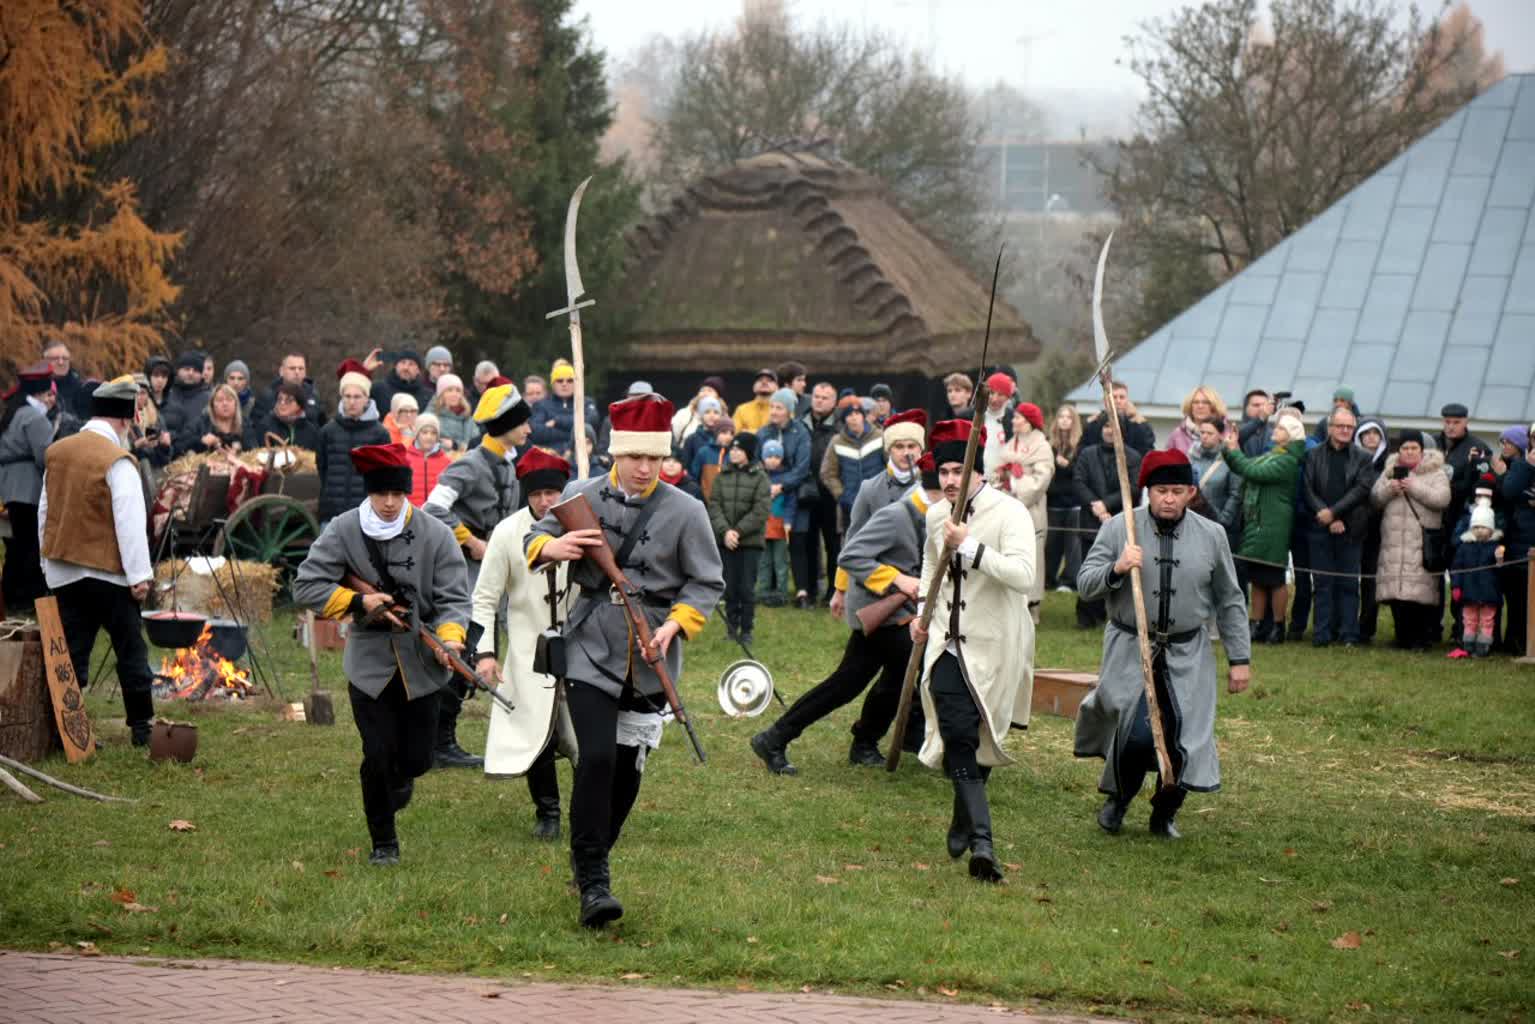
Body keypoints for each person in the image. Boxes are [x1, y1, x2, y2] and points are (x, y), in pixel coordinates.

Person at [525, 393, 724, 928]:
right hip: (590, 645)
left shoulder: (687, 511)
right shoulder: (581, 495)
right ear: (616, 453)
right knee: (596, 758)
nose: (644, 468)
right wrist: (552, 548)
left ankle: (590, 854)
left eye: (654, 458)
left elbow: (707, 581)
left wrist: (675, 625)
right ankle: (595, 881)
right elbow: (536, 535)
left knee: (627, 774)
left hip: (651, 653)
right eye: (636, 456)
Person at [292, 443, 470, 866]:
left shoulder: (436, 533)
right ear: (369, 492)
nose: (389, 503)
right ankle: (384, 842)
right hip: (369, 663)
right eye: (380, 494)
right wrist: (359, 602)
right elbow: (306, 585)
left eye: (396, 494)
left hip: (422, 662)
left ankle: (401, 781)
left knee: (417, 759)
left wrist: (450, 640)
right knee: (376, 754)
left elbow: (454, 598)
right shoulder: (343, 529)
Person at [1075, 449, 1251, 840]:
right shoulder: (1120, 528)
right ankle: (1119, 799)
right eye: (1160, 491)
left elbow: (1230, 599)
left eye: (1176, 491)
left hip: (1189, 654)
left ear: (1191, 492)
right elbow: (1085, 584)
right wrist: (1117, 567)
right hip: (1131, 649)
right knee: (1136, 735)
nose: (1168, 499)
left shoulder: (1212, 535)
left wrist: (1239, 658)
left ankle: (1164, 813)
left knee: (1184, 740)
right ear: (1147, 492)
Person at [751, 451, 933, 777]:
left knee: (886, 679)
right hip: (882, 611)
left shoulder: (929, 516)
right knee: (852, 683)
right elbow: (851, 554)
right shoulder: (897, 515)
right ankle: (779, 737)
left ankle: (861, 741)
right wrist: (897, 579)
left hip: (901, 613)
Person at [911, 419, 1036, 882]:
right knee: (958, 733)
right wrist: (922, 610)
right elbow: (930, 562)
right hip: (947, 641)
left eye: (957, 471)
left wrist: (973, 548)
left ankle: (963, 817)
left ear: (977, 472)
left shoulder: (1009, 513)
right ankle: (984, 843)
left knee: (980, 737)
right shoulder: (935, 515)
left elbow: (1024, 576)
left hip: (997, 643)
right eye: (942, 471)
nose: (949, 480)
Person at [38, 378, 157, 744]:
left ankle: (63, 734)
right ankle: (142, 729)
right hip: (109, 575)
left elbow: (45, 513)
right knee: (130, 650)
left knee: (71, 655)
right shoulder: (117, 460)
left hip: (64, 570)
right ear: (124, 419)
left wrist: (47, 564)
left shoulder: (57, 452)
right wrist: (139, 576)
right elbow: (130, 522)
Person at [424, 381, 534, 769]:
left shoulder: (507, 464)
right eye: (522, 422)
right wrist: (470, 541)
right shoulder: (470, 465)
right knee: (464, 648)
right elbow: (433, 508)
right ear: (505, 425)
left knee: (482, 647)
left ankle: (441, 739)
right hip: (464, 571)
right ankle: (438, 744)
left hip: (494, 567)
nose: (528, 429)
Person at [472, 448, 579, 841]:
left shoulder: (583, 526)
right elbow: (484, 598)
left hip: (581, 644)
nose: (545, 501)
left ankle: (589, 809)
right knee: (537, 733)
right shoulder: (507, 533)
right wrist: (485, 653)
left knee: (587, 734)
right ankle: (548, 811)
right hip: (528, 651)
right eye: (537, 494)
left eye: (553, 492)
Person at [1220, 409, 1305, 642]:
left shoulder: (1287, 461)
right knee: (1257, 578)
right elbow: (1243, 465)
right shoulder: (1273, 455)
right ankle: (1256, 625)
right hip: (1258, 524)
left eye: (1281, 428)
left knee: (1275, 578)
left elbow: (1251, 470)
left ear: (1290, 435)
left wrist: (1235, 450)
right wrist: (1230, 448)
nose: (1275, 430)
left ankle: (1278, 627)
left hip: (1273, 525)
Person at [1371, 429, 1450, 650]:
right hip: (1393, 542)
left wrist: (1413, 486)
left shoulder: (1436, 472)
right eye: (1405, 448)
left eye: (1414, 448)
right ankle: (1402, 637)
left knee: (1419, 593)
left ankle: (1421, 638)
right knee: (1397, 594)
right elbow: (1374, 499)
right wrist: (1389, 489)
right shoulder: (1389, 472)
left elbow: (1442, 499)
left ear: (1422, 451)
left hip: (1421, 542)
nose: (1409, 452)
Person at [1302, 407, 1373, 647]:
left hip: (1351, 529)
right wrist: (1327, 517)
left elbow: (1361, 490)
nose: (1345, 430)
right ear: (1330, 427)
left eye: (1349, 427)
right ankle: (1321, 633)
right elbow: (1307, 488)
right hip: (1319, 528)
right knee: (1322, 583)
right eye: (1340, 426)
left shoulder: (1363, 457)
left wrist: (1334, 514)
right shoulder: (1313, 455)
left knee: (1349, 584)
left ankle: (1349, 634)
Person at [1073, 416, 1143, 629]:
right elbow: (1078, 481)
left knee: (1117, 567)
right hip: (1090, 519)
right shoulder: (1087, 454)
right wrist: (1095, 505)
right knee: (1089, 566)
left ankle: (1113, 614)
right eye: (1106, 426)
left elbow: (1134, 487)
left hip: (1119, 520)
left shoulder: (1132, 457)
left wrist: (1106, 504)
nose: (1110, 430)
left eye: (1115, 427)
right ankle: (1086, 616)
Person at [0, 364, 58, 609]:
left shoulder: (15, 412)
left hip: (9, 486)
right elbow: (46, 456)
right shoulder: (35, 417)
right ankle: (26, 598)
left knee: (16, 546)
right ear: (41, 392)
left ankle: (12, 596)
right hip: (27, 488)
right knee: (30, 546)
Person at [707, 432, 771, 645]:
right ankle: (731, 629)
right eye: (732, 449)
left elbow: (761, 510)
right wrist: (725, 531)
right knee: (730, 587)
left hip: (750, 543)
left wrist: (738, 531)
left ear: (749, 452)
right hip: (726, 542)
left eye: (738, 449)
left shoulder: (760, 478)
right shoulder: (722, 476)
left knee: (746, 588)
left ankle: (747, 629)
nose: (733, 453)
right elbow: (714, 505)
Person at [1436, 402, 1491, 643]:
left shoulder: (1478, 448)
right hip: (1433, 523)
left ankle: (1461, 630)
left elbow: (1483, 485)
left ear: (1466, 422)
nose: (1451, 426)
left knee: (1461, 579)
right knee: (1433, 578)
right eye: (1447, 422)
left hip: (1462, 523)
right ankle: (1432, 628)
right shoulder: (1433, 445)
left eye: (1456, 422)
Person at [995, 401, 1053, 623]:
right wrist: (1002, 477)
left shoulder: (1042, 447)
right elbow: (998, 472)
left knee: (1032, 555)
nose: (1013, 420)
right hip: (1007, 509)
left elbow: (1041, 480)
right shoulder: (1011, 444)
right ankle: (1008, 601)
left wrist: (1015, 481)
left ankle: (1032, 606)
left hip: (1031, 510)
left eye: (1018, 417)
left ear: (1029, 422)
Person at [757, 387, 814, 608]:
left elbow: (802, 467)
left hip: (794, 494)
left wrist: (781, 485)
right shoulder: (763, 432)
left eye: (779, 407)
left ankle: (801, 591)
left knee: (797, 542)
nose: (773, 411)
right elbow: (756, 461)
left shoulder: (801, 432)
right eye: (772, 406)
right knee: (769, 544)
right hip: (768, 495)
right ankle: (769, 590)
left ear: (789, 410)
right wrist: (767, 485)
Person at [317, 363, 391, 524]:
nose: (352, 402)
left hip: (366, 513)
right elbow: (322, 469)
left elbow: (384, 475)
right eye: (347, 396)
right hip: (332, 512)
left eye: (357, 397)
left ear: (366, 399)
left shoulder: (380, 434)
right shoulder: (327, 432)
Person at [820, 397, 885, 534]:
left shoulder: (880, 436)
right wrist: (841, 495)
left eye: (857, 413)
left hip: (879, 502)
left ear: (863, 416)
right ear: (845, 419)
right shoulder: (837, 441)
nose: (854, 418)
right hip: (849, 505)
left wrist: (886, 490)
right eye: (849, 415)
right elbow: (827, 473)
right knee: (852, 543)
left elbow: (890, 466)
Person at [801, 382, 841, 604]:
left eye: (825, 397)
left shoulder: (839, 427)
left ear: (834, 402)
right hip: (805, 492)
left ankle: (833, 591)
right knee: (808, 543)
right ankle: (809, 589)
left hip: (830, 494)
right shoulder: (801, 423)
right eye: (816, 396)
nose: (819, 400)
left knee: (833, 544)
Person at [1450, 505, 1504, 658]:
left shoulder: (1496, 547)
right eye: (1476, 527)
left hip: (1488, 591)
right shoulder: (1464, 547)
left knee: (1487, 619)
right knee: (1469, 618)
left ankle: (1483, 645)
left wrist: (1499, 560)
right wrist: (1456, 586)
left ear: (1491, 529)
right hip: (1469, 590)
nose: (1480, 530)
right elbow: (1457, 568)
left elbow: (1500, 571)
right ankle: (1468, 643)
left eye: (1483, 527)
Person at [1354, 418, 1389, 643]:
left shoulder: (1389, 466)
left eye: (1376, 433)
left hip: (1377, 530)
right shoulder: (1351, 460)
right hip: (1352, 527)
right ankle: (1346, 625)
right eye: (1366, 433)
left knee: (1371, 580)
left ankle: (1366, 628)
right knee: (1348, 580)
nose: (1371, 437)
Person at [1500, 430, 1535, 656]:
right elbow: (1509, 491)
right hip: (1521, 541)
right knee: (1518, 598)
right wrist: (1528, 466)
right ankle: (1516, 643)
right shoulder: (1521, 465)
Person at [1044, 405, 1085, 592]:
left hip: (1074, 502)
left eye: (1068, 417)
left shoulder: (1080, 446)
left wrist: (1067, 465)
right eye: (1061, 416)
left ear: (1074, 421)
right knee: (1051, 544)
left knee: (1073, 544)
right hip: (1053, 501)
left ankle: (1069, 581)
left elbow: (1081, 472)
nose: (1064, 420)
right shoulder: (1048, 445)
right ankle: (1048, 579)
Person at [531, 360, 601, 461]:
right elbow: (536, 433)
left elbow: (591, 422)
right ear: (553, 384)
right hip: (550, 459)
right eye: (560, 381)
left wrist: (557, 421)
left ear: (576, 383)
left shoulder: (586, 403)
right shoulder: (541, 405)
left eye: (570, 380)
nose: (564, 384)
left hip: (581, 460)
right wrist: (573, 434)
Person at [1186, 418, 1242, 543]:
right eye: (1202, 432)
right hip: (1191, 521)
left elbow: (1236, 493)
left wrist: (1224, 520)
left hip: (1218, 523)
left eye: (1210, 433)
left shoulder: (1230, 458)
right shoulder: (1191, 456)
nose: (1204, 436)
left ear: (1221, 435)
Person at [756, 439, 794, 608]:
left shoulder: (786, 479)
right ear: (763, 457)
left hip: (780, 525)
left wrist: (788, 521)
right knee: (764, 561)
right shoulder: (758, 476)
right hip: (762, 525)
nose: (773, 460)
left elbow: (791, 502)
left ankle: (782, 592)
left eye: (777, 457)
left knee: (781, 562)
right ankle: (763, 591)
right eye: (769, 456)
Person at [251, 352, 325, 428]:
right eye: (292, 368)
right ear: (281, 371)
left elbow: (322, 425)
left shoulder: (313, 394)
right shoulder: (268, 396)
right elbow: (256, 425)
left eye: (301, 368)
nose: (297, 372)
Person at [1081, 381, 1156, 454]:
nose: (1118, 401)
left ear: (1127, 400)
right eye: (1114, 397)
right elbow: (1083, 452)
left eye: (1122, 397)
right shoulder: (1093, 425)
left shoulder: (1140, 426)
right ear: (1105, 400)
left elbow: (1148, 453)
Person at [171, 382, 244, 456]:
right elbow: (177, 446)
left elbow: (250, 447)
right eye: (220, 400)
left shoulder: (245, 424)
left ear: (236, 404)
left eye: (229, 400)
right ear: (212, 405)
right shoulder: (201, 423)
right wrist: (201, 442)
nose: (225, 403)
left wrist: (239, 453)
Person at [254, 382, 322, 451]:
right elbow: (260, 453)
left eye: (289, 400)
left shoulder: (311, 431)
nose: (282, 403)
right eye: (279, 399)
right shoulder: (265, 425)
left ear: (299, 405)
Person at [160, 352, 211, 437]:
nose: (191, 373)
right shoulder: (165, 394)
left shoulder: (209, 399)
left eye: (195, 370)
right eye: (187, 369)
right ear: (178, 371)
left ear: (201, 374)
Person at [1165, 386, 1227, 455]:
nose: (1200, 406)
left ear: (1214, 406)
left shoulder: (1227, 434)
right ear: (1190, 406)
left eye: (1205, 402)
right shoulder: (1177, 435)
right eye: (1196, 402)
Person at [406, 413, 451, 507]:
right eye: (424, 432)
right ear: (417, 434)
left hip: (437, 513)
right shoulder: (404, 460)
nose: (429, 437)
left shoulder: (447, 462)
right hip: (411, 513)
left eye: (433, 433)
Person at [429, 373, 478, 452]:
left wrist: (455, 445)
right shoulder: (430, 417)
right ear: (441, 394)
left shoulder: (467, 417)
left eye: (458, 391)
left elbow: (477, 444)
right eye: (450, 390)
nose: (454, 394)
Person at [43, 341, 92, 419]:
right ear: (44, 361)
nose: (61, 362)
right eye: (55, 359)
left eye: (65, 358)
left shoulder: (81, 389)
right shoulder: (34, 389)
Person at [979, 373, 1014, 470]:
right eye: (991, 393)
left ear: (1008, 398)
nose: (994, 399)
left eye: (1000, 395)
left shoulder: (1013, 419)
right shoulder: (971, 416)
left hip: (1002, 476)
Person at [732, 369, 777, 435]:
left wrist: (748, 432)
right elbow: (734, 433)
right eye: (760, 380)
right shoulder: (741, 409)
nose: (764, 382)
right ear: (754, 387)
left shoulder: (781, 409)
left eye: (769, 380)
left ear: (777, 387)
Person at [1238, 389, 1275, 457]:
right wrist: (1260, 419)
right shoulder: (1236, 430)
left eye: (1264, 405)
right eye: (1256, 405)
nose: (1261, 409)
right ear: (1245, 408)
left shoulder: (1274, 434)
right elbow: (1239, 436)